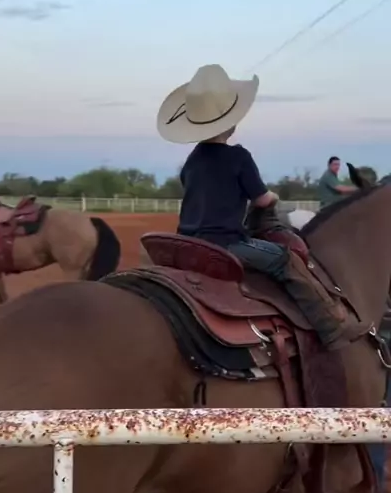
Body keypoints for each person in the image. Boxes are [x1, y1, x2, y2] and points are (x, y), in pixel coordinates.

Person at [156, 64, 370, 350]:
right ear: (232, 122)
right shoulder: (238, 157)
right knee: (286, 260)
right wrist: (273, 196)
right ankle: (331, 327)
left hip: (188, 242)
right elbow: (261, 200)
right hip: (224, 244)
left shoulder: (192, 161)